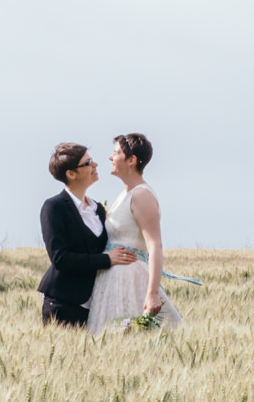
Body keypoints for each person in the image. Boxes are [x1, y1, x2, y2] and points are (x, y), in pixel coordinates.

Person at [88, 132, 183, 334]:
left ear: (131, 160)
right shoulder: (124, 194)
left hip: (130, 280)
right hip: (112, 280)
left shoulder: (141, 195)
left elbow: (154, 245)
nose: (110, 158)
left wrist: (153, 293)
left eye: (116, 153)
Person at [38, 142, 136, 327]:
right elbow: (60, 258)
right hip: (63, 303)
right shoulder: (54, 207)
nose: (95, 165)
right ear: (71, 174)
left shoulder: (97, 209)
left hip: (97, 305)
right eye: (88, 163)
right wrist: (106, 260)